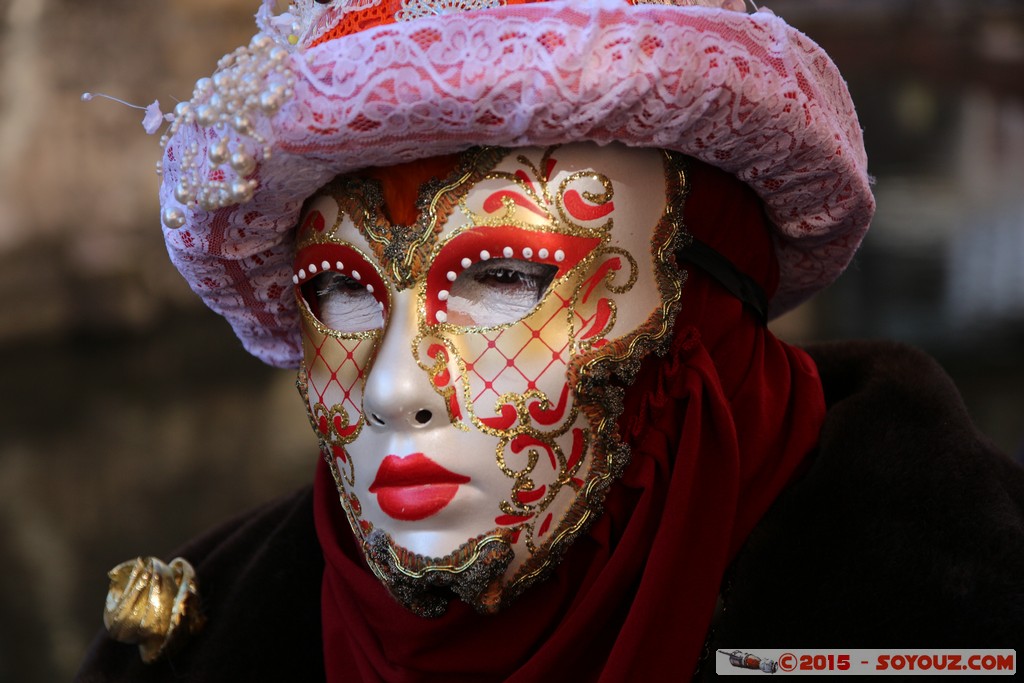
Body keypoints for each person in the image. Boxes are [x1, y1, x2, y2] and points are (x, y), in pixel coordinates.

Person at [76, 1, 1024, 681]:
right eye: (339, 290)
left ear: (703, 310)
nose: (393, 386)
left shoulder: (961, 610)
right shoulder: (190, 634)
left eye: (504, 277)